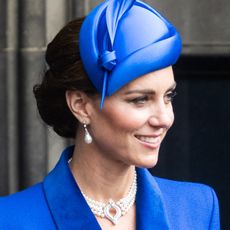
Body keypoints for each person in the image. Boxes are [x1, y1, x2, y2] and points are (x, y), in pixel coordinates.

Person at [0, 0, 220, 229]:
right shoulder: (9, 219)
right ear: (81, 105)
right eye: (140, 100)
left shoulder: (197, 209)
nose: (164, 119)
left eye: (168, 96)